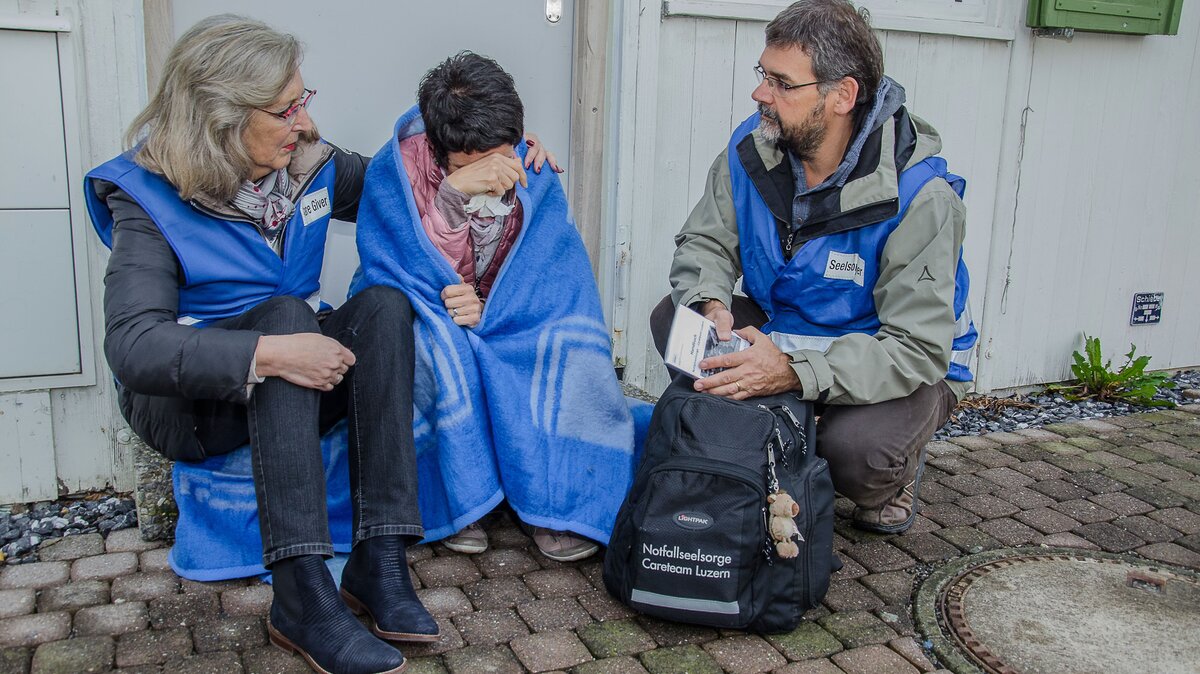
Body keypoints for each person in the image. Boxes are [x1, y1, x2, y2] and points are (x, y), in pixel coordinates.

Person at [79, 16, 566, 674]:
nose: (303, 123)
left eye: (303, 101)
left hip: (292, 361)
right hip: (194, 403)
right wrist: (270, 355)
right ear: (220, 117)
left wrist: (489, 152)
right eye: (285, 109)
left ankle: (380, 562)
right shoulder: (149, 198)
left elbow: (401, 188)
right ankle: (302, 594)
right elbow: (135, 346)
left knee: (385, 307)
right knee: (284, 317)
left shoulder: (308, 163)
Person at [650, 0, 978, 535]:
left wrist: (795, 372)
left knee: (854, 453)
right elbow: (706, 240)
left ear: (842, 95)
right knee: (675, 319)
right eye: (763, 75)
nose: (760, 94)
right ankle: (767, 435)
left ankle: (891, 472)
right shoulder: (752, 148)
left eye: (782, 82)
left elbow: (916, 347)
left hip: (894, 358)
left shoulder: (923, 198)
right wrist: (710, 302)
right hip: (791, 328)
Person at [353, 52, 639, 564]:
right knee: (436, 348)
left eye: (499, 158)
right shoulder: (391, 173)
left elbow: (553, 270)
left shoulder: (530, 164)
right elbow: (389, 268)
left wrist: (493, 307)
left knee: (567, 343)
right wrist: (449, 200)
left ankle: (553, 502)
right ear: (440, 151)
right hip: (430, 309)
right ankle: (465, 502)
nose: (491, 176)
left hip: (504, 310)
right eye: (469, 166)